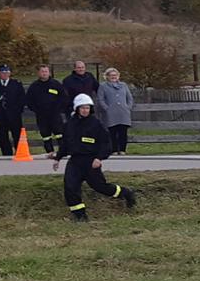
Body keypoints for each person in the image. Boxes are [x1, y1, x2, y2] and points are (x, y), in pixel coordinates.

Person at [54, 93, 138, 221]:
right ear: (77, 109)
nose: (85, 110)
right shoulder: (70, 124)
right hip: (75, 161)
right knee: (70, 187)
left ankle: (126, 193)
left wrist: (99, 158)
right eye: (82, 108)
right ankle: (80, 216)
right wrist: (58, 158)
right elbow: (66, 143)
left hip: (91, 161)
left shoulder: (96, 124)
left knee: (100, 187)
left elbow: (106, 143)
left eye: (87, 108)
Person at [27, 64, 67, 155]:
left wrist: (58, 109)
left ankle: (62, 151)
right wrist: (36, 110)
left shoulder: (56, 84)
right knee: (45, 135)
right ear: (38, 73)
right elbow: (29, 101)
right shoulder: (34, 86)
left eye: (46, 71)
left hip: (55, 114)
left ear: (49, 72)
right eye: (42, 71)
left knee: (59, 133)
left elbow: (64, 97)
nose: (44, 73)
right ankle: (49, 151)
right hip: (41, 115)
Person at [0, 64, 26, 156]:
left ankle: (19, 152)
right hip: (0, 116)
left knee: (17, 135)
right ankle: (6, 154)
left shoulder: (16, 83)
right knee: (2, 136)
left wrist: (18, 111)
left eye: (7, 72)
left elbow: (21, 99)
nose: (5, 74)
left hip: (14, 115)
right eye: (3, 72)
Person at [98, 67, 133, 154]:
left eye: (115, 75)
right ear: (107, 76)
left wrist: (128, 107)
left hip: (123, 113)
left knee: (123, 132)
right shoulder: (103, 86)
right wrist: (106, 108)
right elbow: (100, 99)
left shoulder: (123, 85)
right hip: (111, 113)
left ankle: (122, 150)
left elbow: (129, 98)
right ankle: (113, 150)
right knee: (112, 132)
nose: (114, 77)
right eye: (111, 75)